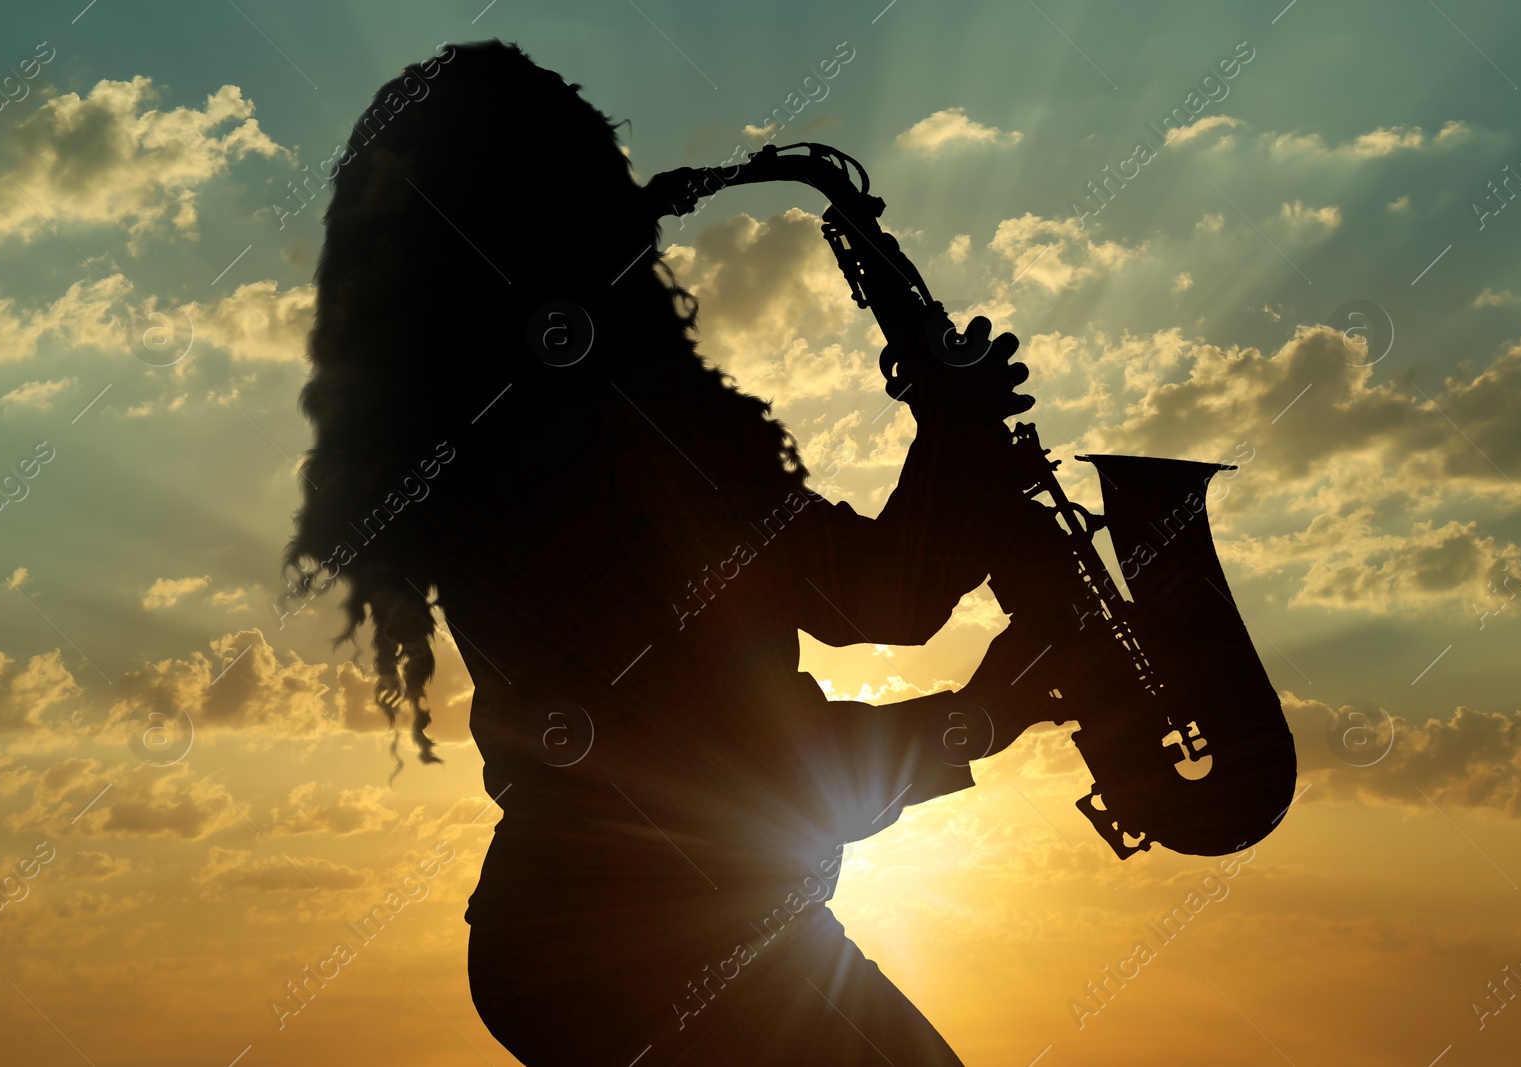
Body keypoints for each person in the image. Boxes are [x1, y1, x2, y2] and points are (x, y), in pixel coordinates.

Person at [289, 38, 1061, 1066]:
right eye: (598, 172)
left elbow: (864, 611)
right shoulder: (638, 434)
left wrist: (956, 451)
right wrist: (986, 705)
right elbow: (838, 646)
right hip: (661, 939)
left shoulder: (485, 441)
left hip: (606, 938)